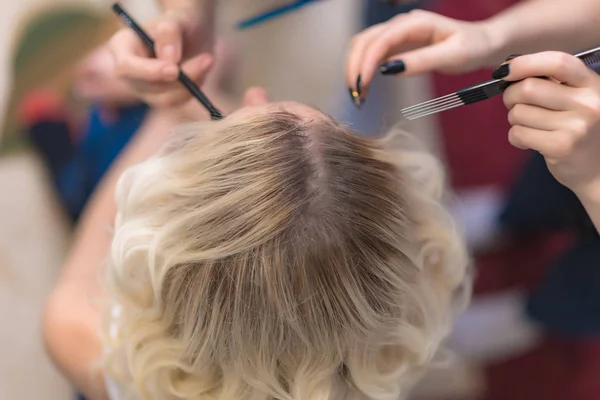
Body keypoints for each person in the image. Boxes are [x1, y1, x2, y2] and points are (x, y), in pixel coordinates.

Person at [44, 87, 470, 399]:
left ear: (158, 218)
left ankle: (61, 152)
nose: (252, 93)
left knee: (98, 150)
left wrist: (168, 112)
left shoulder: (83, 340)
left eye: (216, 129)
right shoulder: (375, 354)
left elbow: (90, 251)